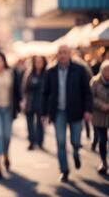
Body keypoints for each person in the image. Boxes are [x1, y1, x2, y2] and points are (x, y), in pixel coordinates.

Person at [42, 45, 93, 182]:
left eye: (65, 53)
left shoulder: (79, 70)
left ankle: (76, 153)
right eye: (60, 53)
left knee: (75, 141)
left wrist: (88, 110)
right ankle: (64, 170)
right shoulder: (51, 71)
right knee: (60, 142)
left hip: (76, 111)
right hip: (58, 112)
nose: (62, 55)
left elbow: (87, 92)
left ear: (70, 54)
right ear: (57, 55)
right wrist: (44, 113)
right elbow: (45, 93)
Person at [0, 51, 21, 180]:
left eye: (0, 60)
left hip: (8, 109)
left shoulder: (11, 73)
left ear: (4, 61)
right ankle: (0, 165)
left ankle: (6, 154)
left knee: (6, 136)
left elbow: (17, 90)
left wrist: (20, 102)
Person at [22, 56, 47, 150]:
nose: (38, 64)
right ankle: (31, 141)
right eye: (37, 62)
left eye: (40, 62)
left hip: (41, 103)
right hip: (30, 102)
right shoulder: (29, 74)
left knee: (40, 124)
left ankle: (40, 141)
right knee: (30, 124)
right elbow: (24, 88)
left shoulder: (46, 74)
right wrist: (24, 100)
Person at [91, 60, 109, 175]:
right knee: (102, 140)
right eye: (106, 70)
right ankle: (103, 161)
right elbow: (90, 98)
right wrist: (101, 105)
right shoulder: (95, 82)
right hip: (99, 116)